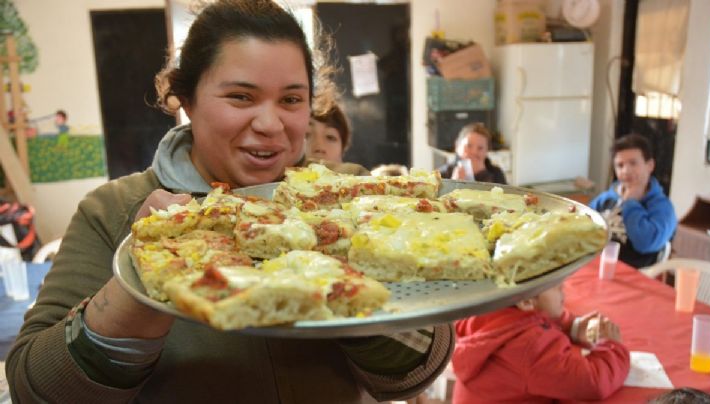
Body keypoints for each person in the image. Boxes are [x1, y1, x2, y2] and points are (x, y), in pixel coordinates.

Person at [5, 1, 452, 402]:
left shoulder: (353, 198)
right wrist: (145, 280)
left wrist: (339, 263)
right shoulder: (114, 212)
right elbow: (36, 388)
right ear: (186, 99)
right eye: (241, 96)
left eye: (292, 99)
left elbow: (412, 374)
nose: (271, 124)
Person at [452, 283, 630, 403]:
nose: (564, 292)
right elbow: (592, 383)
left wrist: (572, 327)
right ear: (527, 301)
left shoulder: (490, 311)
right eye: (557, 287)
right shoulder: (530, 347)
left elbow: (537, 321)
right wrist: (612, 348)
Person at [590, 134, 677, 268]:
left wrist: (630, 203)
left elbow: (646, 243)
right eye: (620, 165)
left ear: (650, 165)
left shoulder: (663, 207)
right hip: (595, 267)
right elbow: (584, 226)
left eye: (633, 163)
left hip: (634, 276)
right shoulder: (606, 198)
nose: (626, 170)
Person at [438, 123, 506, 184]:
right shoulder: (442, 175)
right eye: (469, 146)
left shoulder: (497, 174)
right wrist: (453, 184)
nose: (474, 152)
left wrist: (483, 175)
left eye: (480, 148)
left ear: (486, 152)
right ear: (457, 146)